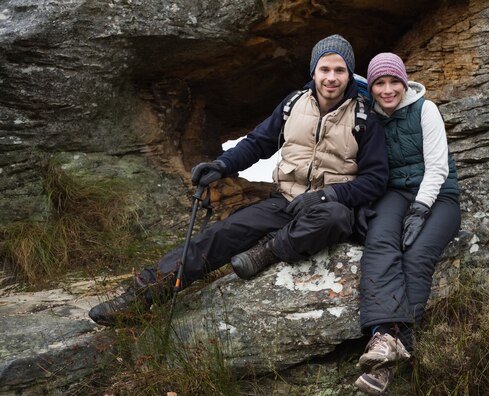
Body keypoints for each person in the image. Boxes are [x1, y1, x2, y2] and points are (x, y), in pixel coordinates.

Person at [88, 34, 389, 326]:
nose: (331, 77)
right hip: (283, 200)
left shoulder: (365, 117)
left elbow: (376, 179)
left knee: (336, 218)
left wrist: (326, 196)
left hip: (327, 206)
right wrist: (221, 165)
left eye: (340, 70)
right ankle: (138, 296)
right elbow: (258, 143)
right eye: (325, 69)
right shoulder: (293, 104)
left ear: (349, 74)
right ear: (313, 71)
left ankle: (268, 251)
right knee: (219, 235)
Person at [354, 53, 461, 396]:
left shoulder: (425, 109)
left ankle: (390, 347)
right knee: (380, 243)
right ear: (371, 88)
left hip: (439, 194)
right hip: (394, 194)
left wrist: (420, 209)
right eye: (379, 84)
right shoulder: (370, 118)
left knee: (415, 256)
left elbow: (438, 167)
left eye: (393, 82)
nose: (388, 90)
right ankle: (384, 337)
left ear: (404, 81)